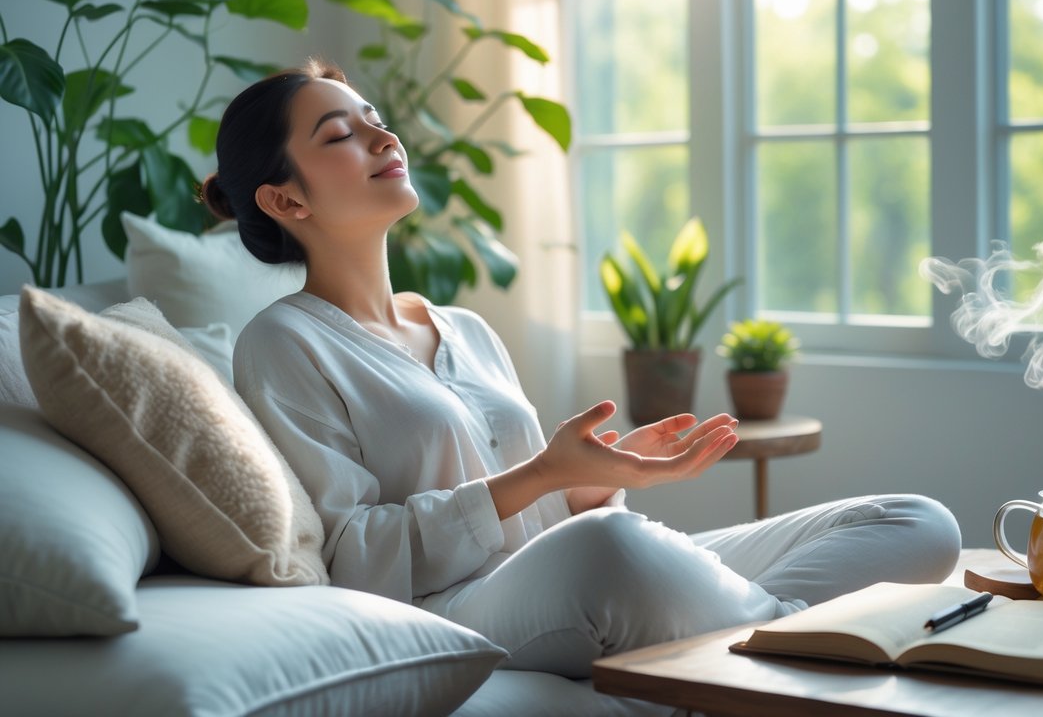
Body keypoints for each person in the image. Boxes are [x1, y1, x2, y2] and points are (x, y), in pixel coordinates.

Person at [202, 59, 961, 688]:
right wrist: (540, 479)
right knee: (608, 549)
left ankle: (769, 650)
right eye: (341, 133)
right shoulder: (282, 344)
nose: (380, 134)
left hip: (566, 562)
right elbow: (351, 558)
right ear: (285, 198)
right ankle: (805, 646)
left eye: (372, 116)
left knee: (915, 522)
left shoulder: (461, 327)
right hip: (461, 604)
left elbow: (553, 509)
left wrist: (595, 475)